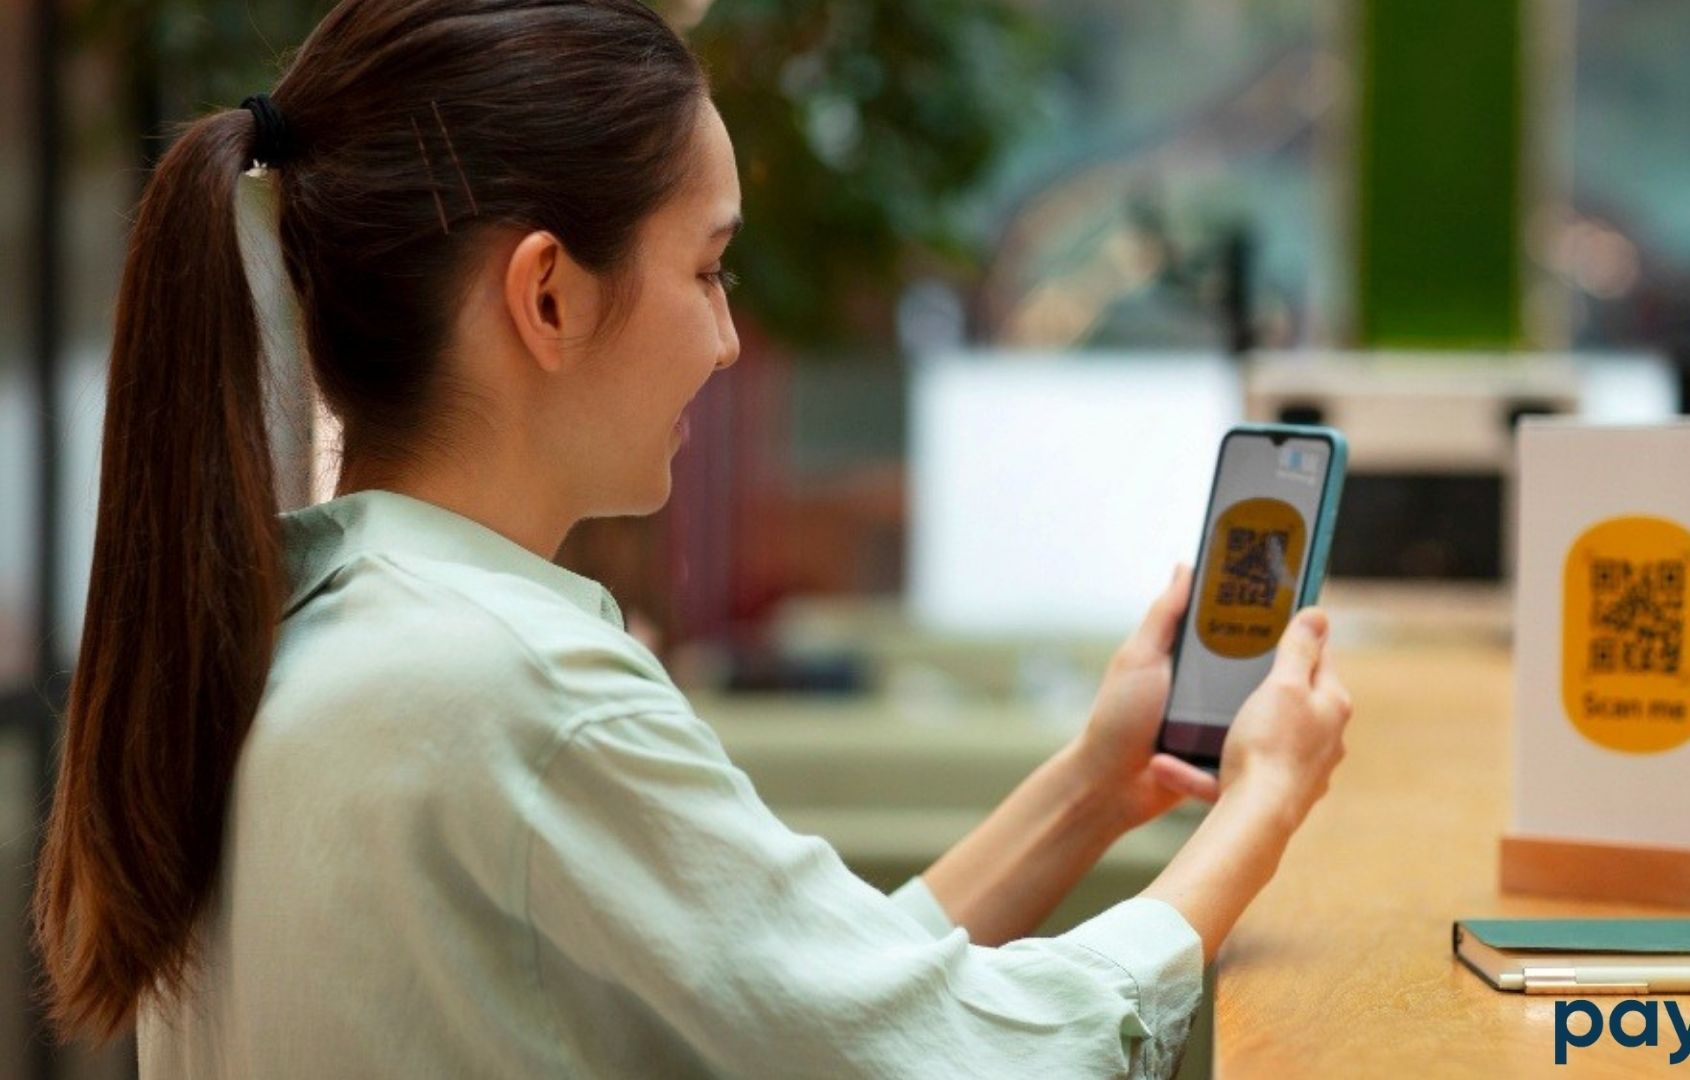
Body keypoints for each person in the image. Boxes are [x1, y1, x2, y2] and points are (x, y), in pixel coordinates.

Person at [31, 1, 1353, 1076]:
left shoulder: (304, 632)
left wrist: (1089, 786)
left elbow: (813, 1007)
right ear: (547, 294)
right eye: (709, 270)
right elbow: (961, 1058)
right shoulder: (515, 690)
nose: (726, 339)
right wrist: (1266, 804)